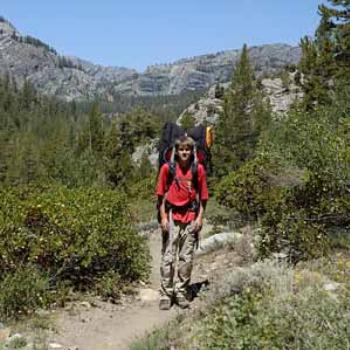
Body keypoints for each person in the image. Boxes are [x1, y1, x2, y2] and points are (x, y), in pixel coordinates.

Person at [156, 135, 209, 310]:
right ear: (176, 151)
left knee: (186, 258)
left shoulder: (198, 169)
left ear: (192, 151)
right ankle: (166, 294)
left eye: (187, 149)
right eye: (181, 149)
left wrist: (200, 217)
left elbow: (203, 197)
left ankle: (180, 292)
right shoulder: (167, 168)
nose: (184, 152)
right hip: (172, 215)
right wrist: (163, 217)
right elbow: (161, 196)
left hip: (191, 216)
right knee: (168, 257)